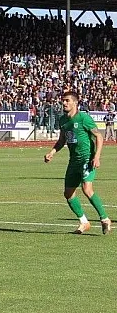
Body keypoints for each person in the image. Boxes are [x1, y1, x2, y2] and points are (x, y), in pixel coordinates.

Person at [44, 91, 111, 234]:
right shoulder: (63, 120)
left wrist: (97, 156)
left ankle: (104, 219)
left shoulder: (83, 118)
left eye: (67, 100)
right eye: (63, 100)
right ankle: (84, 222)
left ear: (75, 103)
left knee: (87, 189)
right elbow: (62, 140)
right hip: (73, 161)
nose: (64, 103)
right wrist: (52, 152)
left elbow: (99, 136)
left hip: (87, 159)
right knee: (68, 194)